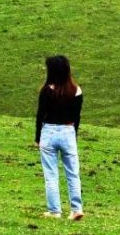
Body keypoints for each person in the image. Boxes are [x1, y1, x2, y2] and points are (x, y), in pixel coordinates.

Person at [35, 55, 84, 220]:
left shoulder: (47, 90)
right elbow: (77, 117)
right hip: (68, 131)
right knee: (73, 173)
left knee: (51, 174)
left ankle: (55, 211)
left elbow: (40, 115)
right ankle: (76, 209)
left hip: (48, 132)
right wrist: (73, 136)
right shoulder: (76, 91)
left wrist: (37, 137)